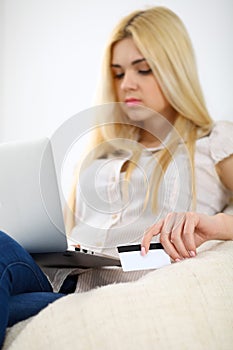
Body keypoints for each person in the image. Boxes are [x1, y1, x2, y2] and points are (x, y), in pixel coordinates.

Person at [0, 5, 233, 348]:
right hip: (56, 281)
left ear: (175, 71)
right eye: (119, 73)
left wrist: (215, 225)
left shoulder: (212, 140)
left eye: (143, 70)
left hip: (116, 289)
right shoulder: (101, 152)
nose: (128, 84)